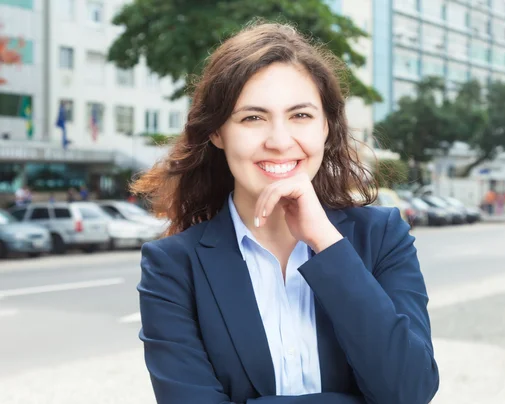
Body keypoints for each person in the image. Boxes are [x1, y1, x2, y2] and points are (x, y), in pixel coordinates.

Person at [131, 22, 439, 404]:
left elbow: (409, 391)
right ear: (217, 132)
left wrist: (327, 244)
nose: (279, 141)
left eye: (301, 116)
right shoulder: (173, 266)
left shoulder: (382, 237)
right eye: (252, 118)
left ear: (326, 127)